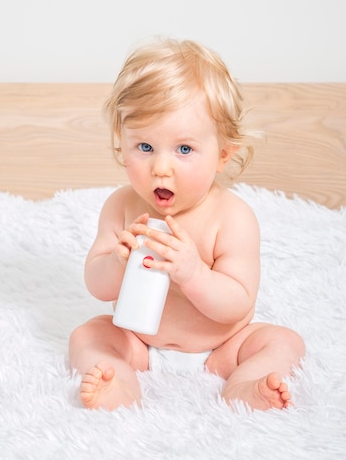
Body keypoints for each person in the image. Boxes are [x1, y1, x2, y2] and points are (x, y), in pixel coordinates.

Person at [68, 37, 305, 411]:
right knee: (87, 335)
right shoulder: (121, 206)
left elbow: (237, 302)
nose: (161, 168)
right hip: (140, 343)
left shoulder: (232, 218)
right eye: (144, 147)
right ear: (121, 142)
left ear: (222, 155)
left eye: (184, 149)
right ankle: (120, 383)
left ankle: (244, 386)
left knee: (284, 342)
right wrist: (117, 262)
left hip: (222, 348)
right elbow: (96, 284)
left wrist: (194, 273)